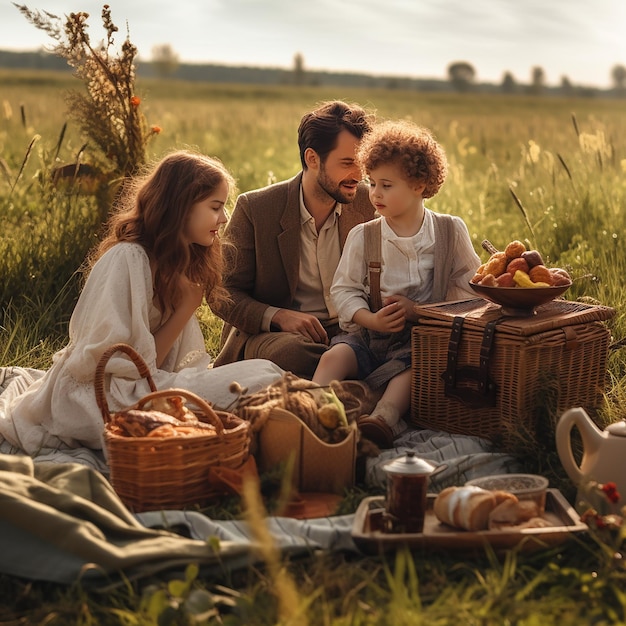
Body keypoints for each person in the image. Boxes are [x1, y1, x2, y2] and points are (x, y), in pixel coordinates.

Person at [0, 150, 283, 458]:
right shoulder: (128, 258)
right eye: (215, 206)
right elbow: (126, 368)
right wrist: (186, 309)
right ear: (180, 207)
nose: (224, 217)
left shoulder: (174, 263)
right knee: (262, 377)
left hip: (140, 389)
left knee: (266, 373)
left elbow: (157, 368)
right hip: (98, 399)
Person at [312, 120, 481, 448]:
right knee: (335, 357)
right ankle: (310, 406)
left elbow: (470, 291)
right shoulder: (365, 235)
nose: (374, 194)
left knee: (410, 371)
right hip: (368, 333)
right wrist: (369, 318)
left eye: (386, 185)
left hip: (420, 341)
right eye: (372, 183)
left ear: (419, 185)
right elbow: (344, 290)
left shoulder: (449, 231)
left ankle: (383, 419)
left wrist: (418, 312)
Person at [212, 100, 377, 378]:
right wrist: (277, 316)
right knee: (293, 355)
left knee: (409, 350)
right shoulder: (256, 208)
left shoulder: (370, 203)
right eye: (348, 163)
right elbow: (222, 293)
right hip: (280, 337)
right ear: (312, 159)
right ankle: (356, 380)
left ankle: (342, 378)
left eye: (362, 164)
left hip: (353, 332)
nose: (358, 175)